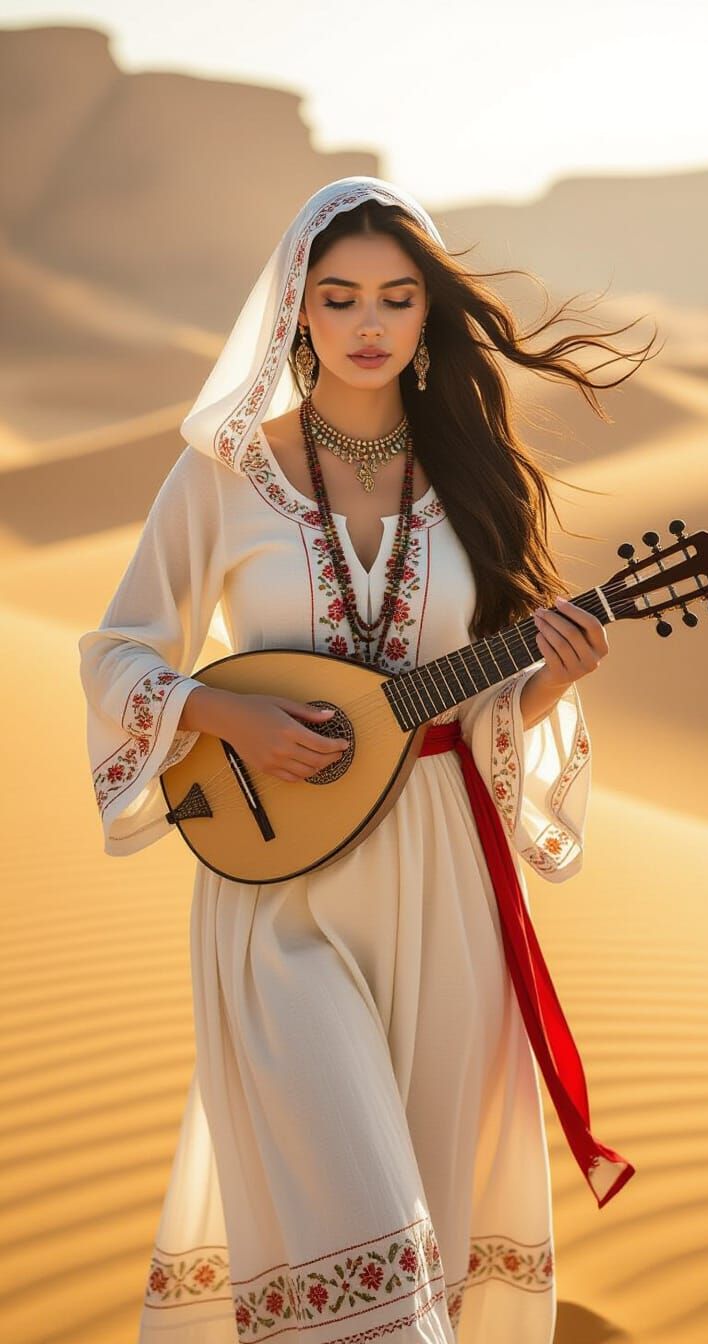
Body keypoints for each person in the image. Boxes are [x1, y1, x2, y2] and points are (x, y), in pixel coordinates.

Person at [78, 176, 657, 1344]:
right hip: (274, 887)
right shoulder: (221, 473)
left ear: (429, 316)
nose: (369, 323)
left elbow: (485, 706)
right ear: (296, 309)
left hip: (444, 878)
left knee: (436, 1218)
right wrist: (225, 717)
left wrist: (548, 684)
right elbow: (116, 654)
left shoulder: (474, 483)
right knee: (357, 1229)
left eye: (397, 297)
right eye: (338, 297)